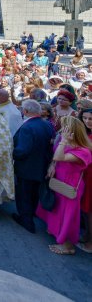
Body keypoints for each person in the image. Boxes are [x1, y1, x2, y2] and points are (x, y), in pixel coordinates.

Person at [36, 116, 92, 255]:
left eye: (65, 128)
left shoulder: (83, 151)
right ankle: (56, 232)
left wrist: (63, 142)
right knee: (56, 210)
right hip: (59, 180)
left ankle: (68, 246)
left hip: (70, 185)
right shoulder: (65, 141)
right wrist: (52, 166)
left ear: (73, 131)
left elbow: (59, 157)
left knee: (67, 215)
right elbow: (55, 158)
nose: (61, 130)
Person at [12, 99, 55, 233]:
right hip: (41, 165)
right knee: (34, 193)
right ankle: (31, 214)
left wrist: (11, 154)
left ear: (25, 111)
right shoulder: (47, 124)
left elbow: (22, 150)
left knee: (24, 194)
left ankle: (26, 220)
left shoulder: (27, 127)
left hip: (26, 167)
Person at [77, 108, 92, 253]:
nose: (87, 121)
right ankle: (87, 235)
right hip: (85, 174)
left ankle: (90, 243)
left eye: (91, 119)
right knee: (86, 210)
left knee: (89, 210)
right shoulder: (86, 133)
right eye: (85, 118)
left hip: (90, 175)